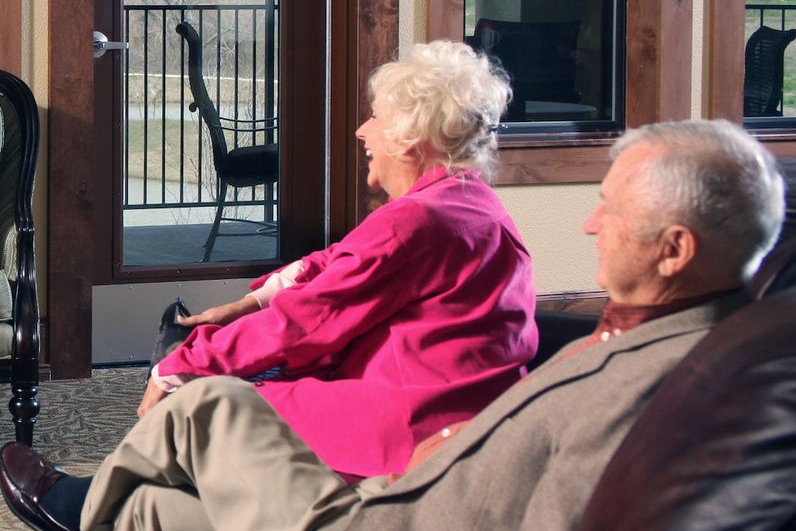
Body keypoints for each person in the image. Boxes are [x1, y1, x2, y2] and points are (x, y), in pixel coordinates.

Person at [1, 120, 782, 531]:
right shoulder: (653, 339)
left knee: (211, 405)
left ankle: (84, 514)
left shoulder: (660, 390)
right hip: (405, 506)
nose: (588, 223)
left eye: (609, 209)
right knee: (150, 512)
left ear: (675, 250)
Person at [144, 40, 537, 481]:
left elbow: (307, 322)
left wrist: (177, 367)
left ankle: (104, 518)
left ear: (410, 139)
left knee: (205, 406)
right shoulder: (471, 201)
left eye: (377, 119)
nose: (362, 131)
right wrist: (249, 305)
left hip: (410, 425)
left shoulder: (416, 220)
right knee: (229, 380)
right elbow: (343, 263)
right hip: (469, 412)